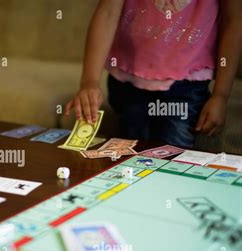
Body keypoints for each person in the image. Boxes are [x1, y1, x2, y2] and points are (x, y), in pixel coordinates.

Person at [65, 0, 242, 148]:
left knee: (172, 159)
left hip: (186, 85)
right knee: (128, 155)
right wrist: (89, 82)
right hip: (126, 81)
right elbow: (107, 12)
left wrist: (221, 95)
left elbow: (233, 20)